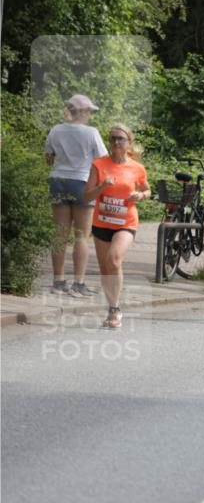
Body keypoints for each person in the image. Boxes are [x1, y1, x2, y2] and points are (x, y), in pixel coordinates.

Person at [83, 123, 150, 328]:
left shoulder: (136, 168)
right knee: (105, 269)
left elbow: (147, 191)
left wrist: (140, 195)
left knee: (114, 259)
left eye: (120, 138)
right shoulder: (99, 164)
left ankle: (115, 309)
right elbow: (86, 196)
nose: (115, 143)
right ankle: (113, 306)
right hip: (102, 221)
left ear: (128, 142)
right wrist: (102, 186)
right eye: (112, 139)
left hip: (126, 222)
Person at [44, 94, 108, 296]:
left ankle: (58, 282)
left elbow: (49, 158)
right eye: (88, 110)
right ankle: (78, 284)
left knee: (60, 234)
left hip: (58, 181)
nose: (90, 114)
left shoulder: (55, 130)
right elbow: (102, 161)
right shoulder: (91, 133)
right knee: (81, 236)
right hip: (82, 182)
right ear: (81, 112)